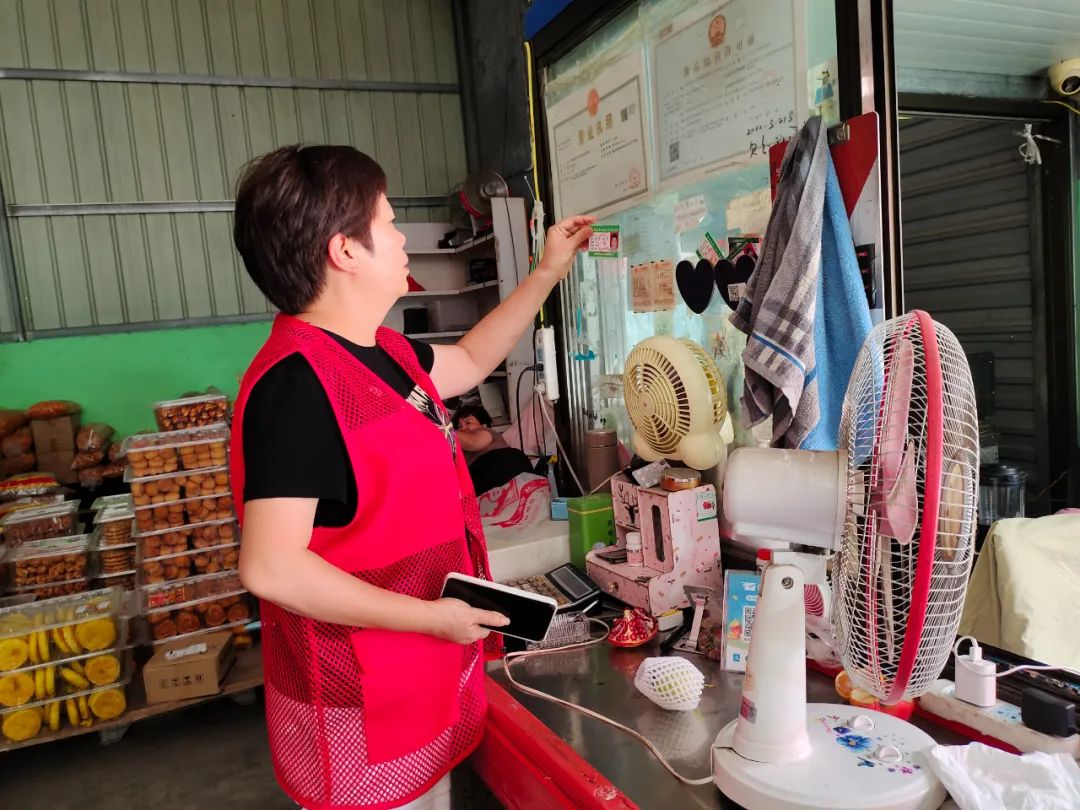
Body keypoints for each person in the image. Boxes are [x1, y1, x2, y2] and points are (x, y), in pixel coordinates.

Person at [230, 144, 593, 810]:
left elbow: (474, 359)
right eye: (390, 222)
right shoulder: (296, 386)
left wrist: (546, 272)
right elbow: (271, 567)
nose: (401, 239)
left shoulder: (387, 352)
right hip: (357, 701)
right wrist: (430, 617)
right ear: (345, 251)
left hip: (419, 679)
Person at [452, 404, 534, 495]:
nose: (463, 428)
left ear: (483, 424)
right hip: (483, 482)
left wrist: (446, 431)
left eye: (468, 423)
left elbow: (472, 442)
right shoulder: (459, 448)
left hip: (503, 466)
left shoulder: (484, 432)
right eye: (459, 426)